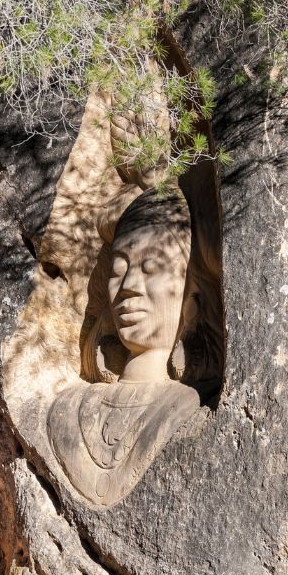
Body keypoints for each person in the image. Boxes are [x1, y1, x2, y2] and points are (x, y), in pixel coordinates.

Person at [47, 186, 205, 507]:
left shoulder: (189, 408)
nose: (129, 288)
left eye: (152, 268)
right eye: (119, 270)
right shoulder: (65, 412)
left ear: (190, 293)